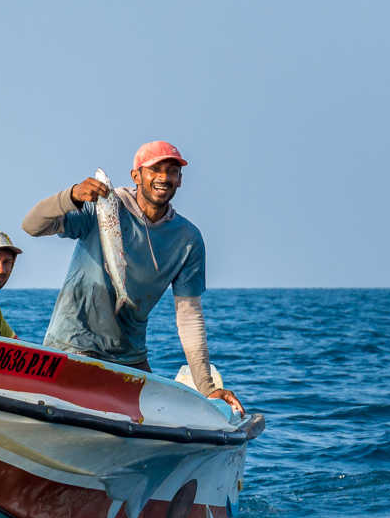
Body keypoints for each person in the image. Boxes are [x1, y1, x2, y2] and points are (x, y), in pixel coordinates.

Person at [21, 141, 244, 414]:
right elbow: (32, 225)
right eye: (155, 169)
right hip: (74, 344)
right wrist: (73, 196)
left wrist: (207, 386)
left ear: (180, 180)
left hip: (129, 356)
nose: (163, 177)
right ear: (136, 176)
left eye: (172, 170)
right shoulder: (101, 207)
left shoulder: (187, 239)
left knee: (160, 418)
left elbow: (189, 314)